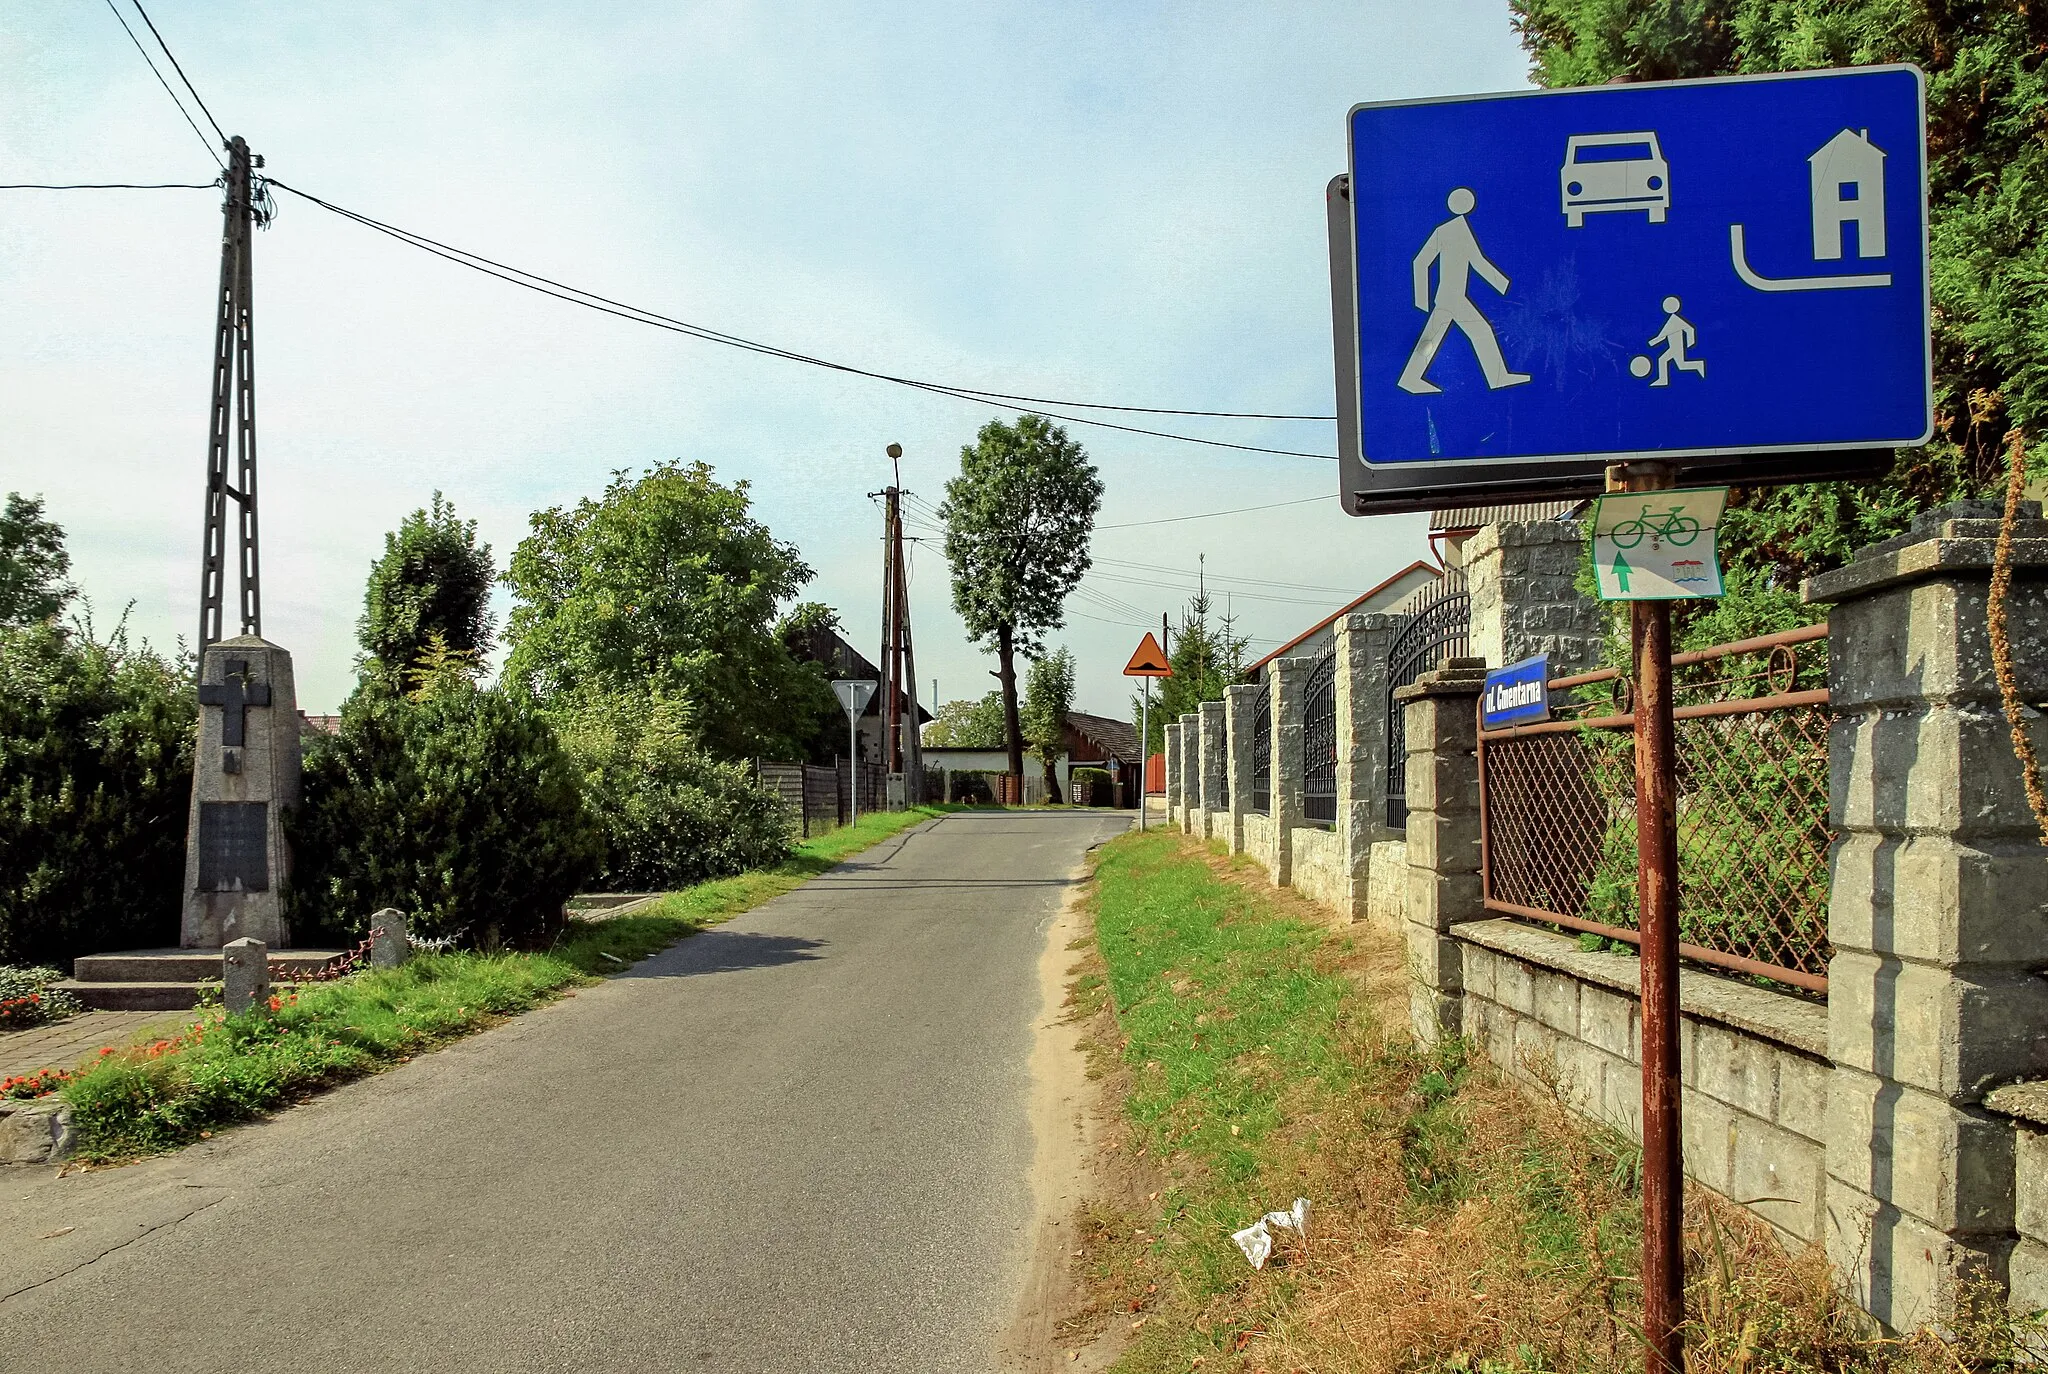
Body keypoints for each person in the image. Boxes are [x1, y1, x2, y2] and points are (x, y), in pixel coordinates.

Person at [1397, 187, 1531, 395]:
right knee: (1475, 332)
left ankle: (1411, 379)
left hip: (1454, 296)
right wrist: (1420, 300)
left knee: (1435, 338)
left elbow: (1477, 261)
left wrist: (1504, 285)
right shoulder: (1448, 230)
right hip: (1451, 296)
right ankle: (1496, 377)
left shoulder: (1461, 229)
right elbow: (1421, 261)